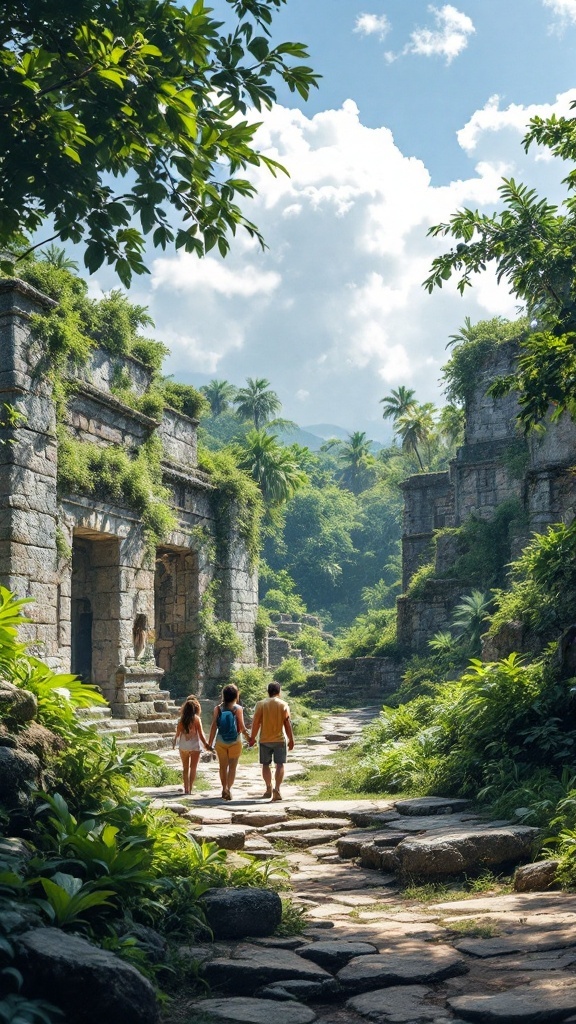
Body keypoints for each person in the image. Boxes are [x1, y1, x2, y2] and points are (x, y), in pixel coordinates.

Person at [249, 681, 294, 801]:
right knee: (280, 764)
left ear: (268, 692)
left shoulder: (261, 704)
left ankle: (268, 788)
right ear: (279, 692)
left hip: (264, 739)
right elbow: (287, 723)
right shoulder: (283, 704)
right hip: (280, 739)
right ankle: (277, 789)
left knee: (265, 765)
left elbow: (256, 723)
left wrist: (252, 738)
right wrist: (291, 739)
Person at [207, 683, 249, 800]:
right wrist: (249, 737)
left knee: (222, 767)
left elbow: (214, 726)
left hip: (221, 741)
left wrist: (209, 743)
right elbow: (241, 725)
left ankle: (224, 788)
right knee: (232, 767)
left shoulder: (218, 709)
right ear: (236, 695)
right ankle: (229, 789)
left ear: (223, 695)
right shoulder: (238, 709)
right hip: (235, 740)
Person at [172, 695, 211, 795]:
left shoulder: (181, 720)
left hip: (183, 747)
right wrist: (206, 744)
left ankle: (185, 789)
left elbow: (177, 734)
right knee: (193, 768)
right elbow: (201, 734)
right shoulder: (197, 719)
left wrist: (174, 744)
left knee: (185, 768)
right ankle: (191, 789)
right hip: (194, 747)